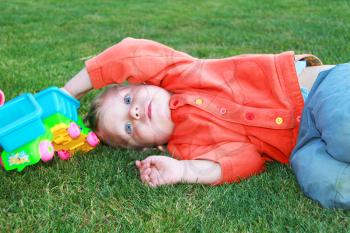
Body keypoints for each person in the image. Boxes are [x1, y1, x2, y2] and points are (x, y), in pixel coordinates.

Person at [63, 37, 348, 209]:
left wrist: (67, 93)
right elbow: (246, 159)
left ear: (143, 80)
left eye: (127, 100)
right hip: (303, 145)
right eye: (128, 128)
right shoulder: (186, 148)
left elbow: (129, 54)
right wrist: (183, 170)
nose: (134, 113)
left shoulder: (179, 72)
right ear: (152, 146)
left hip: (318, 88)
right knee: (324, 182)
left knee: (342, 127)